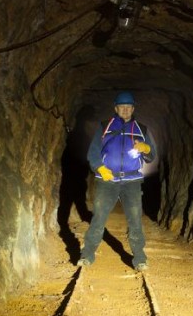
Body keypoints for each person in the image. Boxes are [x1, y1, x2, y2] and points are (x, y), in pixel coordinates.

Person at [77, 91, 156, 271]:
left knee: (135, 219)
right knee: (99, 217)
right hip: (107, 179)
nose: (126, 110)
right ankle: (87, 254)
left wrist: (146, 148)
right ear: (116, 108)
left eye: (129, 107)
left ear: (133, 108)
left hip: (132, 180)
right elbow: (93, 152)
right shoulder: (105, 126)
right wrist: (100, 168)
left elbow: (152, 156)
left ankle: (140, 258)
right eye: (122, 107)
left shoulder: (142, 129)